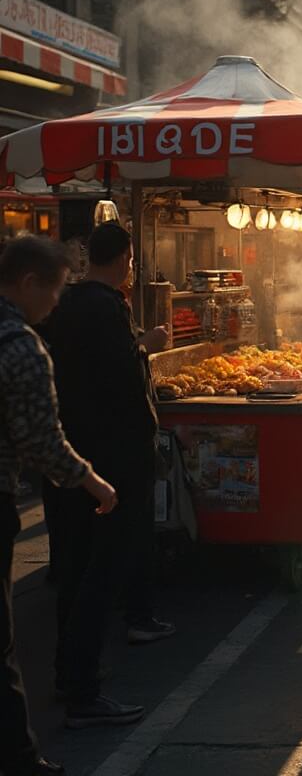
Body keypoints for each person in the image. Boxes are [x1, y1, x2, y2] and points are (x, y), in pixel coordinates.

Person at [45, 223, 170, 728]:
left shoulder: (63, 305)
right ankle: (84, 689)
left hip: (69, 462)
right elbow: (124, 382)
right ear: (124, 259)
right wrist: (147, 345)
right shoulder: (108, 306)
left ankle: (69, 672)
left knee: (73, 570)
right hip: (111, 467)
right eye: (133, 260)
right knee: (103, 571)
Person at [1, 236, 118, 776]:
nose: (57, 304)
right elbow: (43, 443)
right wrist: (95, 483)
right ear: (28, 283)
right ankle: (20, 759)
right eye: (54, 293)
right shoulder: (21, 346)